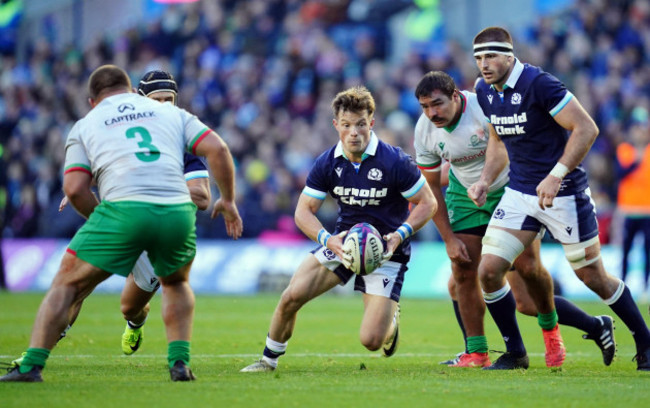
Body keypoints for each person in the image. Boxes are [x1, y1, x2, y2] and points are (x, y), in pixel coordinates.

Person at [0, 65, 243, 382]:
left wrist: (116, 195)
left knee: (122, 304)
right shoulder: (174, 122)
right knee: (81, 288)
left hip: (130, 219)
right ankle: (35, 357)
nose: (164, 105)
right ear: (136, 96)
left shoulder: (95, 124)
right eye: (158, 98)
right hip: (168, 220)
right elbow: (218, 148)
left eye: (170, 98)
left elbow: (200, 196)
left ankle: (133, 325)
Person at [468, 26, 650, 371]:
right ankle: (516, 353)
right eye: (478, 58)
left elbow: (587, 128)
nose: (484, 64)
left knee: (593, 276)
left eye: (490, 56)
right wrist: (485, 180)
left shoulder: (540, 84)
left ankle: (645, 340)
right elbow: (498, 140)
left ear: (509, 54)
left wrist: (556, 174)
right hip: (520, 193)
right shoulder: (485, 90)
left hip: (564, 194)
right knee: (489, 271)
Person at [414, 71, 615, 369]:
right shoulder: (424, 130)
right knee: (463, 272)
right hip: (464, 197)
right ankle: (479, 352)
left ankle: (583, 326)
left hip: (510, 190)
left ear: (456, 96)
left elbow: (506, 149)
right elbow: (429, 187)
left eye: (438, 104)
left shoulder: (482, 107)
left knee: (528, 288)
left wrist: (484, 181)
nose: (432, 113)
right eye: (425, 107)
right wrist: (448, 239)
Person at [240, 86, 436, 372]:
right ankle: (268, 361)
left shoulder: (394, 161)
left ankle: (390, 321)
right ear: (336, 126)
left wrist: (399, 235)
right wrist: (327, 240)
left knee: (371, 341)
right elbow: (302, 211)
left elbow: (427, 204)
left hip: (386, 253)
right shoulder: (327, 162)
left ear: (371, 122)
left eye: (359, 124)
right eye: (346, 125)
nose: (353, 132)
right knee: (291, 296)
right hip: (342, 245)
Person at [615, 116, 650, 292]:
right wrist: (637, 160)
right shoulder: (625, 150)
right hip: (628, 209)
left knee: (647, 250)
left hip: (647, 210)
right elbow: (620, 173)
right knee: (626, 249)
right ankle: (622, 285)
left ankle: (645, 286)